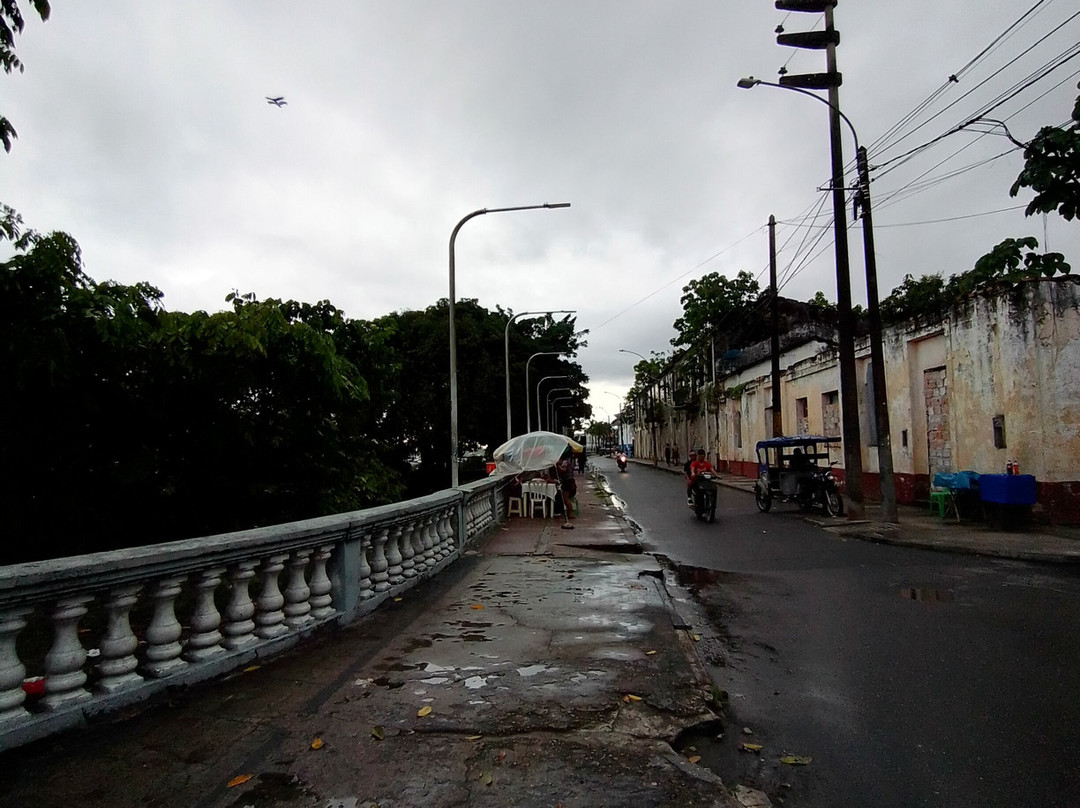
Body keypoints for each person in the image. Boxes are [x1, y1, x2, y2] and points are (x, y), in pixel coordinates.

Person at [555, 452, 577, 521]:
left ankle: (570, 513)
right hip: (568, 482)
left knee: (565, 499)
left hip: (568, 483)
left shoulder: (565, 462)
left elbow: (563, 470)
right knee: (565, 499)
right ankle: (569, 512)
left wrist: (557, 465)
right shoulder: (565, 462)